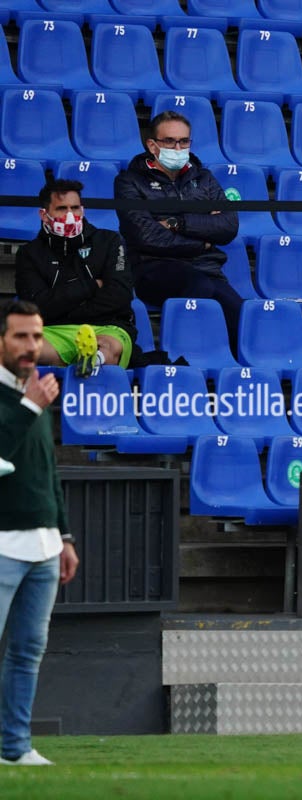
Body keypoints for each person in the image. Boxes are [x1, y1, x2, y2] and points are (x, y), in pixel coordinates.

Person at [0, 300, 80, 767]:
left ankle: (13, 749)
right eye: (21, 337)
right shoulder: (31, 398)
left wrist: (64, 535)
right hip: (3, 541)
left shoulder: (37, 393)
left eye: (37, 336)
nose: (32, 346)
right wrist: (31, 405)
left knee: (28, 653)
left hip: (44, 546)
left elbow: (46, 469)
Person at [114, 110, 241, 348]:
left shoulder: (204, 179)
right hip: (152, 267)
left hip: (206, 269)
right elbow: (146, 235)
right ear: (152, 145)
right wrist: (202, 242)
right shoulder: (129, 182)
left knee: (240, 313)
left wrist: (177, 223)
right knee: (200, 287)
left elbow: (228, 225)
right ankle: (183, 357)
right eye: (170, 141)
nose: (178, 147)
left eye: (184, 141)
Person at [14, 180, 136, 376]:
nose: (70, 215)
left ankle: (92, 360)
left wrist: (63, 306)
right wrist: (91, 286)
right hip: (55, 332)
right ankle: (81, 360)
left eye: (75, 208)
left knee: (107, 347)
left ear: (83, 210)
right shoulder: (29, 253)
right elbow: (36, 307)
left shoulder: (109, 241)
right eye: (62, 209)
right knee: (20, 347)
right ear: (44, 215)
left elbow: (120, 295)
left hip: (106, 327)